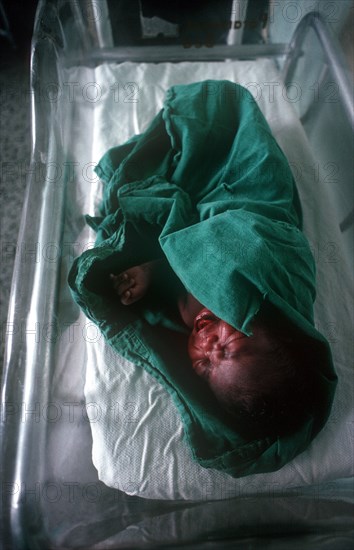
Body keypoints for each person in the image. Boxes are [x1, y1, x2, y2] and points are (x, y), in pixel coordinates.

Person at [109, 257, 317, 440]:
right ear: (274, 332)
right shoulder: (252, 292)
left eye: (205, 365)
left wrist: (148, 272)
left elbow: (173, 263)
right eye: (227, 349)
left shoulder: (189, 314)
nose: (206, 345)